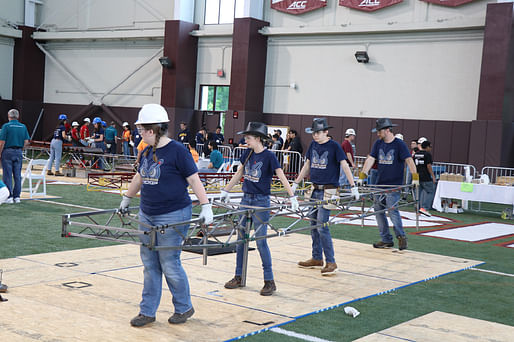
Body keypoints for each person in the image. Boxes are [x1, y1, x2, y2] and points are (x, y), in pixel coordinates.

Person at [119, 103, 213, 327]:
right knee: (149, 264)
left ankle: (184, 307)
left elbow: (193, 179)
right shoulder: (146, 150)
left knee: (169, 263)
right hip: (147, 213)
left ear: (152, 130)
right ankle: (147, 311)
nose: (139, 133)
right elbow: (140, 177)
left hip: (173, 214)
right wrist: (127, 198)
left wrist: (206, 205)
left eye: (141, 129)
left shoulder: (178, 151)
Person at [221, 122, 298, 296]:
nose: (245, 140)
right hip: (246, 198)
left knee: (261, 240)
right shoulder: (247, 154)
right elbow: (240, 172)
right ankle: (238, 276)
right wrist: (226, 189)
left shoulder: (269, 157)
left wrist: (292, 195)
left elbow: (281, 175)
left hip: (261, 201)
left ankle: (269, 281)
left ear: (257, 139)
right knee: (241, 239)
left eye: (248, 138)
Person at [292, 118, 359, 275]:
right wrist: (296, 182)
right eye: (313, 133)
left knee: (322, 226)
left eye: (318, 132)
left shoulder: (334, 146)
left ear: (326, 132)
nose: (315, 135)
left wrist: (353, 185)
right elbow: (307, 164)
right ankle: (317, 257)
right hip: (314, 189)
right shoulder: (313, 145)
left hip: (329, 190)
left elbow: (344, 165)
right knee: (313, 226)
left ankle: (331, 261)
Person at [359, 118, 418, 251]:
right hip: (380, 184)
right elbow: (371, 159)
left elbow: (409, 160)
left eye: (379, 131)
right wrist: (363, 174)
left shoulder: (399, 144)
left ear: (387, 130)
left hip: (394, 185)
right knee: (378, 211)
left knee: (392, 211)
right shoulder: (378, 143)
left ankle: (401, 236)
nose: (377, 134)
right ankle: (386, 239)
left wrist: (415, 177)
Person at [414, 140, 436, 216]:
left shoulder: (416, 154)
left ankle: (417, 209)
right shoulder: (427, 154)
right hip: (425, 176)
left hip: (416, 176)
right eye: (430, 147)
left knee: (418, 194)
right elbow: (428, 166)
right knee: (431, 191)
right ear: (427, 147)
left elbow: (413, 165)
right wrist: (433, 176)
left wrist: (414, 177)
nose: (430, 148)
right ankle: (424, 208)